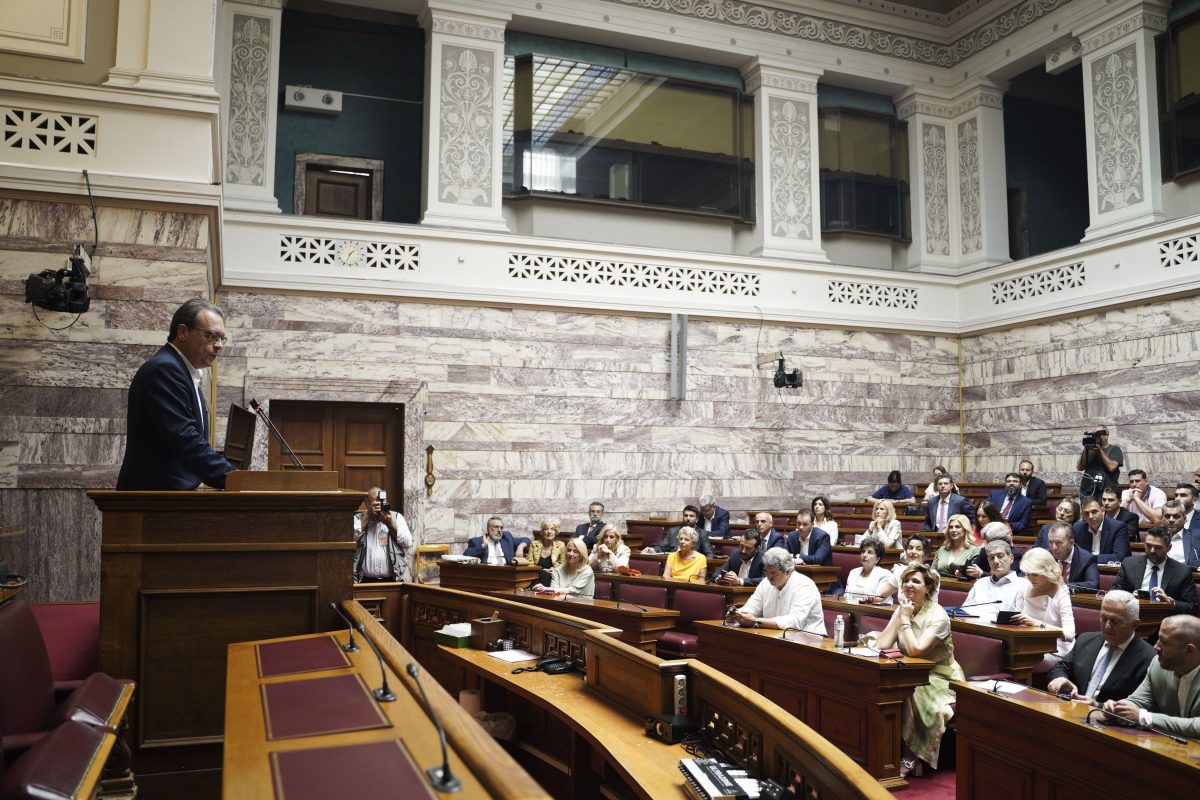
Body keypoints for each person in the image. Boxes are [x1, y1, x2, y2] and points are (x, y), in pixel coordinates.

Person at [116, 298, 235, 490]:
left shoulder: (184, 371)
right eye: (212, 336)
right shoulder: (165, 369)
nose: (219, 345)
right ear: (182, 332)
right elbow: (187, 440)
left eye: (222, 338)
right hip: (150, 499)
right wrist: (238, 479)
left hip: (167, 496)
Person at [874, 563, 963, 778]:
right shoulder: (903, 609)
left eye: (916, 581)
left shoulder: (939, 616)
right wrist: (900, 616)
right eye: (906, 580)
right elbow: (882, 644)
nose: (909, 585)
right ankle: (882, 749)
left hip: (939, 675)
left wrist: (905, 621)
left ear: (928, 587)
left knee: (912, 691)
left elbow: (915, 651)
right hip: (910, 671)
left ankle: (911, 756)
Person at [1046, 590, 1155, 705]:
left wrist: (1099, 706)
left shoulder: (1148, 659)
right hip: (1070, 708)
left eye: (1115, 621)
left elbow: (1141, 706)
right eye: (1104, 618)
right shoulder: (1085, 640)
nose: (1107, 626)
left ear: (1134, 624)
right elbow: (1060, 668)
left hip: (1106, 715)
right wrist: (1060, 678)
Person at [1102, 615, 1200, 738]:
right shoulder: (1157, 665)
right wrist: (1117, 708)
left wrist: (1145, 718)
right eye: (1158, 638)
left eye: (1164, 642)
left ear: (1189, 650)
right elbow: (1137, 701)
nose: (1156, 647)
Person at [730, 547, 825, 633]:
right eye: (767, 572)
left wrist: (756, 621)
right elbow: (752, 607)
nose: (769, 578)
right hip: (776, 635)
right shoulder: (765, 583)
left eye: (773, 573)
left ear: (788, 571)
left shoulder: (804, 586)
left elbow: (794, 622)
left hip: (808, 639)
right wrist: (737, 614)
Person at [1111, 526, 1198, 615]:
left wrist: (1169, 602)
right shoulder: (1129, 564)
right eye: (1148, 546)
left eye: (1158, 547)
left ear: (1169, 548)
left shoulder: (1182, 571)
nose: (1152, 551)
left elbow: (1192, 607)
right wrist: (1129, 598)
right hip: (1133, 615)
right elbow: (1114, 593)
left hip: (1165, 619)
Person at [1013, 547, 1077, 665]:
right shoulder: (1024, 588)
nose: (1030, 579)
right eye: (1028, 574)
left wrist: (1038, 624)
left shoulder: (1061, 592)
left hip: (1055, 650)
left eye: (1035, 574)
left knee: (1021, 660)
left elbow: (1070, 634)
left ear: (1048, 571)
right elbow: (1015, 621)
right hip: (1027, 645)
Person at [352, 486, 414, 583]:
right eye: (375, 503)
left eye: (382, 501)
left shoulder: (396, 517)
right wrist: (367, 516)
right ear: (367, 504)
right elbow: (350, 540)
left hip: (391, 580)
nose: (379, 506)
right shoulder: (358, 518)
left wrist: (391, 525)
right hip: (363, 581)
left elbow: (408, 543)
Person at [961, 541, 1029, 622]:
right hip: (972, 626)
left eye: (1000, 556)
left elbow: (1021, 619)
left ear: (1011, 558)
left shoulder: (1023, 585)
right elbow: (963, 611)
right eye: (991, 557)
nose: (995, 561)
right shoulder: (980, 583)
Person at [1073, 498, 1131, 566]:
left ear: (1103, 511)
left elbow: (1119, 557)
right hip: (1085, 568)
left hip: (1109, 569)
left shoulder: (1118, 527)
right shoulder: (1078, 528)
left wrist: (1089, 558)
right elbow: (1074, 554)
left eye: (1094, 512)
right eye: (1086, 513)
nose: (1090, 516)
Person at [642, 505, 713, 557]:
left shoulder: (702, 534)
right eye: (686, 515)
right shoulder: (673, 531)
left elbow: (709, 553)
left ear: (697, 519)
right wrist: (651, 550)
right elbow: (661, 547)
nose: (688, 518)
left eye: (691, 516)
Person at [1046, 521, 1099, 590]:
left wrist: (1065, 587)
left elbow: (1093, 584)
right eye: (1050, 542)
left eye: (1058, 543)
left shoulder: (1087, 559)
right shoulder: (1046, 556)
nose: (1054, 547)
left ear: (1071, 543)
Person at [516, 518, 567, 585]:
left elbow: (563, 564)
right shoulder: (534, 544)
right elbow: (530, 563)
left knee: (546, 576)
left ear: (556, 532)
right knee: (542, 574)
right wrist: (542, 570)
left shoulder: (560, 545)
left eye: (552, 529)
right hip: (535, 575)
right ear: (542, 532)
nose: (549, 532)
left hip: (553, 577)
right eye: (546, 529)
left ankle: (539, 588)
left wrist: (555, 569)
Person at [844, 537, 893, 605]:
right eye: (863, 551)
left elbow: (879, 599)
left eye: (869, 552)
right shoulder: (853, 572)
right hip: (850, 607)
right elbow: (846, 596)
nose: (864, 555)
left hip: (873, 609)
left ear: (877, 559)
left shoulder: (885, 574)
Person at [1077, 426, 1123, 498]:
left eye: (1098, 435)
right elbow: (1080, 468)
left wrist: (1099, 450)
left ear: (1106, 436)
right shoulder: (1089, 450)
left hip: (1106, 491)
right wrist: (1086, 449)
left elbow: (1112, 467)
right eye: (1094, 435)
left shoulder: (1114, 449)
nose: (1096, 437)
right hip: (1087, 489)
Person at [464, 517, 529, 565]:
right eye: (496, 527)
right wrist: (483, 546)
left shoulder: (507, 538)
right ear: (488, 529)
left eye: (501, 528)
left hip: (508, 573)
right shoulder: (477, 541)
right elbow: (465, 556)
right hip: (488, 574)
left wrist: (520, 547)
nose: (499, 530)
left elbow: (526, 539)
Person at [888, 534, 931, 602]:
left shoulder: (931, 575)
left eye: (918, 549)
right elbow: (880, 595)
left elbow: (932, 604)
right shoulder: (899, 571)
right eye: (910, 548)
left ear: (925, 554)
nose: (913, 552)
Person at [1160, 499, 1200, 567]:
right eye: (1167, 516)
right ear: (1161, 519)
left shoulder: (1197, 536)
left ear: (1184, 519)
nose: (1171, 520)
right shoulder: (1154, 537)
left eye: (1176, 516)